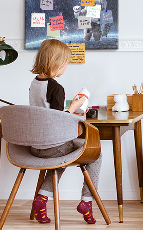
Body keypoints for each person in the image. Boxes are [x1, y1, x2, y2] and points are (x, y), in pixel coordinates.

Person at [29, 39, 102, 224]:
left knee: (60, 158)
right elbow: (58, 120)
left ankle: (42, 199)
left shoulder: (34, 84)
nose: (65, 67)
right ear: (56, 63)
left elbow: (47, 113)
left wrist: (71, 109)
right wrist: (75, 107)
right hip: (52, 146)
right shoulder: (56, 88)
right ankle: (87, 201)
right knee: (95, 153)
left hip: (35, 146)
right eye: (65, 63)